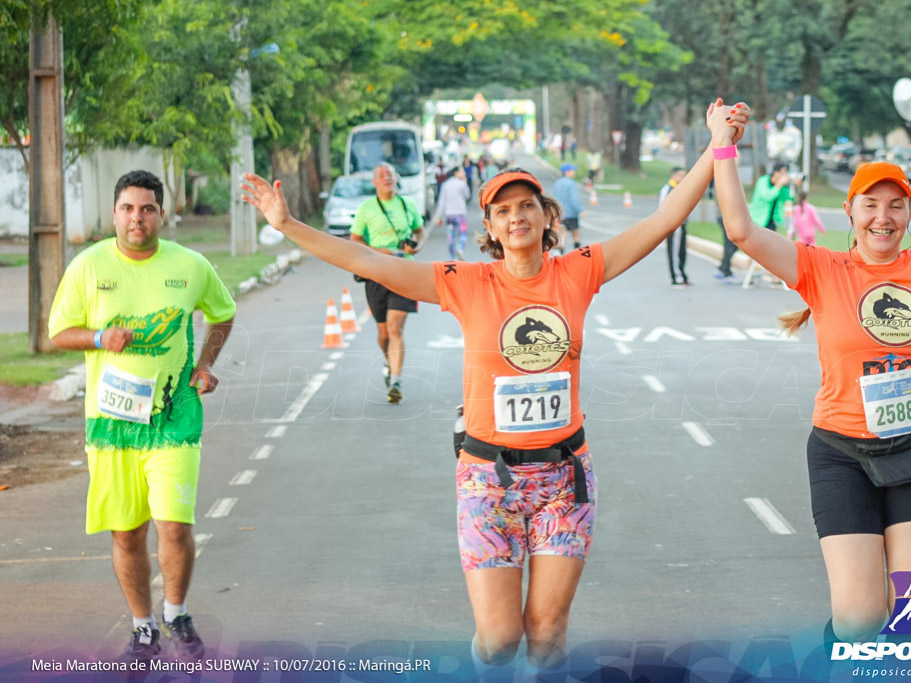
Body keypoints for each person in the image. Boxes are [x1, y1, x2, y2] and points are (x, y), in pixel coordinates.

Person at [239, 98, 742, 675]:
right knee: (500, 639)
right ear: (491, 228)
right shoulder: (466, 283)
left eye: (527, 205)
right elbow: (369, 261)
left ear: (547, 216)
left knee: (547, 631)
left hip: (563, 477)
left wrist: (715, 143)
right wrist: (286, 225)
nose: (516, 217)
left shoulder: (578, 271)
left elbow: (661, 220)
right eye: (502, 211)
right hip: (487, 480)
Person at [712, 104, 911, 644]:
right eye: (871, 205)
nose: (883, 217)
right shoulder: (820, 268)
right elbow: (740, 229)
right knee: (858, 620)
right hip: (842, 456)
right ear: (849, 211)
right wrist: (723, 144)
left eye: (896, 206)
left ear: (909, 214)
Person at [47, 170, 236, 662]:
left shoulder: (190, 266)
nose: (137, 218)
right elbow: (58, 332)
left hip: (174, 416)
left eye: (147, 209)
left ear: (161, 214)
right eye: (128, 209)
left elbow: (223, 312)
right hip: (111, 425)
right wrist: (97, 338)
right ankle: (143, 626)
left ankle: (175, 611)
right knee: (127, 532)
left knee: (173, 525)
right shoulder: (88, 267)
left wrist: (205, 365)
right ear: (114, 214)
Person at [351, 162, 424, 404]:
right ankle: (388, 360)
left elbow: (419, 232)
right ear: (374, 182)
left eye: (390, 174)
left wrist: (415, 245)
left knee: (395, 327)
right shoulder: (367, 208)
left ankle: (395, 381)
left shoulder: (407, 205)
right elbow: (355, 240)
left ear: (396, 179)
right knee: (383, 332)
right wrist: (378, 250)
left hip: (404, 271)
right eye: (381, 175)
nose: (386, 178)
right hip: (376, 274)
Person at [659, 167, 689, 286]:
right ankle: (676, 277)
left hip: (682, 224)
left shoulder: (680, 189)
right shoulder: (668, 189)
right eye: (681, 175)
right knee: (674, 252)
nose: (683, 178)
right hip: (674, 226)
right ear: (674, 176)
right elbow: (662, 209)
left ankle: (682, 274)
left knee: (682, 252)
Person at [436, 166, 471, 260]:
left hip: (449, 215)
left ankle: (453, 257)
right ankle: (460, 248)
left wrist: (439, 216)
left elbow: (441, 201)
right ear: (456, 173)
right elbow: (467, 196)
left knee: (451, 236)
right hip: (460, 214)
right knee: (463, 234)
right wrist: (465, 183)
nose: (463, 173)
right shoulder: (462, 184)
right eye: (462, 171)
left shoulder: (445, 184)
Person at [750, 162, 794, 232]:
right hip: (758, 220)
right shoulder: (763, 181)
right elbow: (768, 196)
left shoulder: (781, 186)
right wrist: (779, 184)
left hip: (772, 221)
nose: (785, 175)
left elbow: (788, 198)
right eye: (783, 172)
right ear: (776, 172)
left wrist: (793, 185)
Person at [552, 163, 584, 250]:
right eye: (572, 170)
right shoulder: (572, 183)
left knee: (562, 236)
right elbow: (574, 200)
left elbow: (554, 198)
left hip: (560, 214)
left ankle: (561, 257)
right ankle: (577, 255)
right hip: (571, 214)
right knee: (576, 235)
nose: (574, 172)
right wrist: (580, 210)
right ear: (567, 172)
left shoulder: (557, 183)